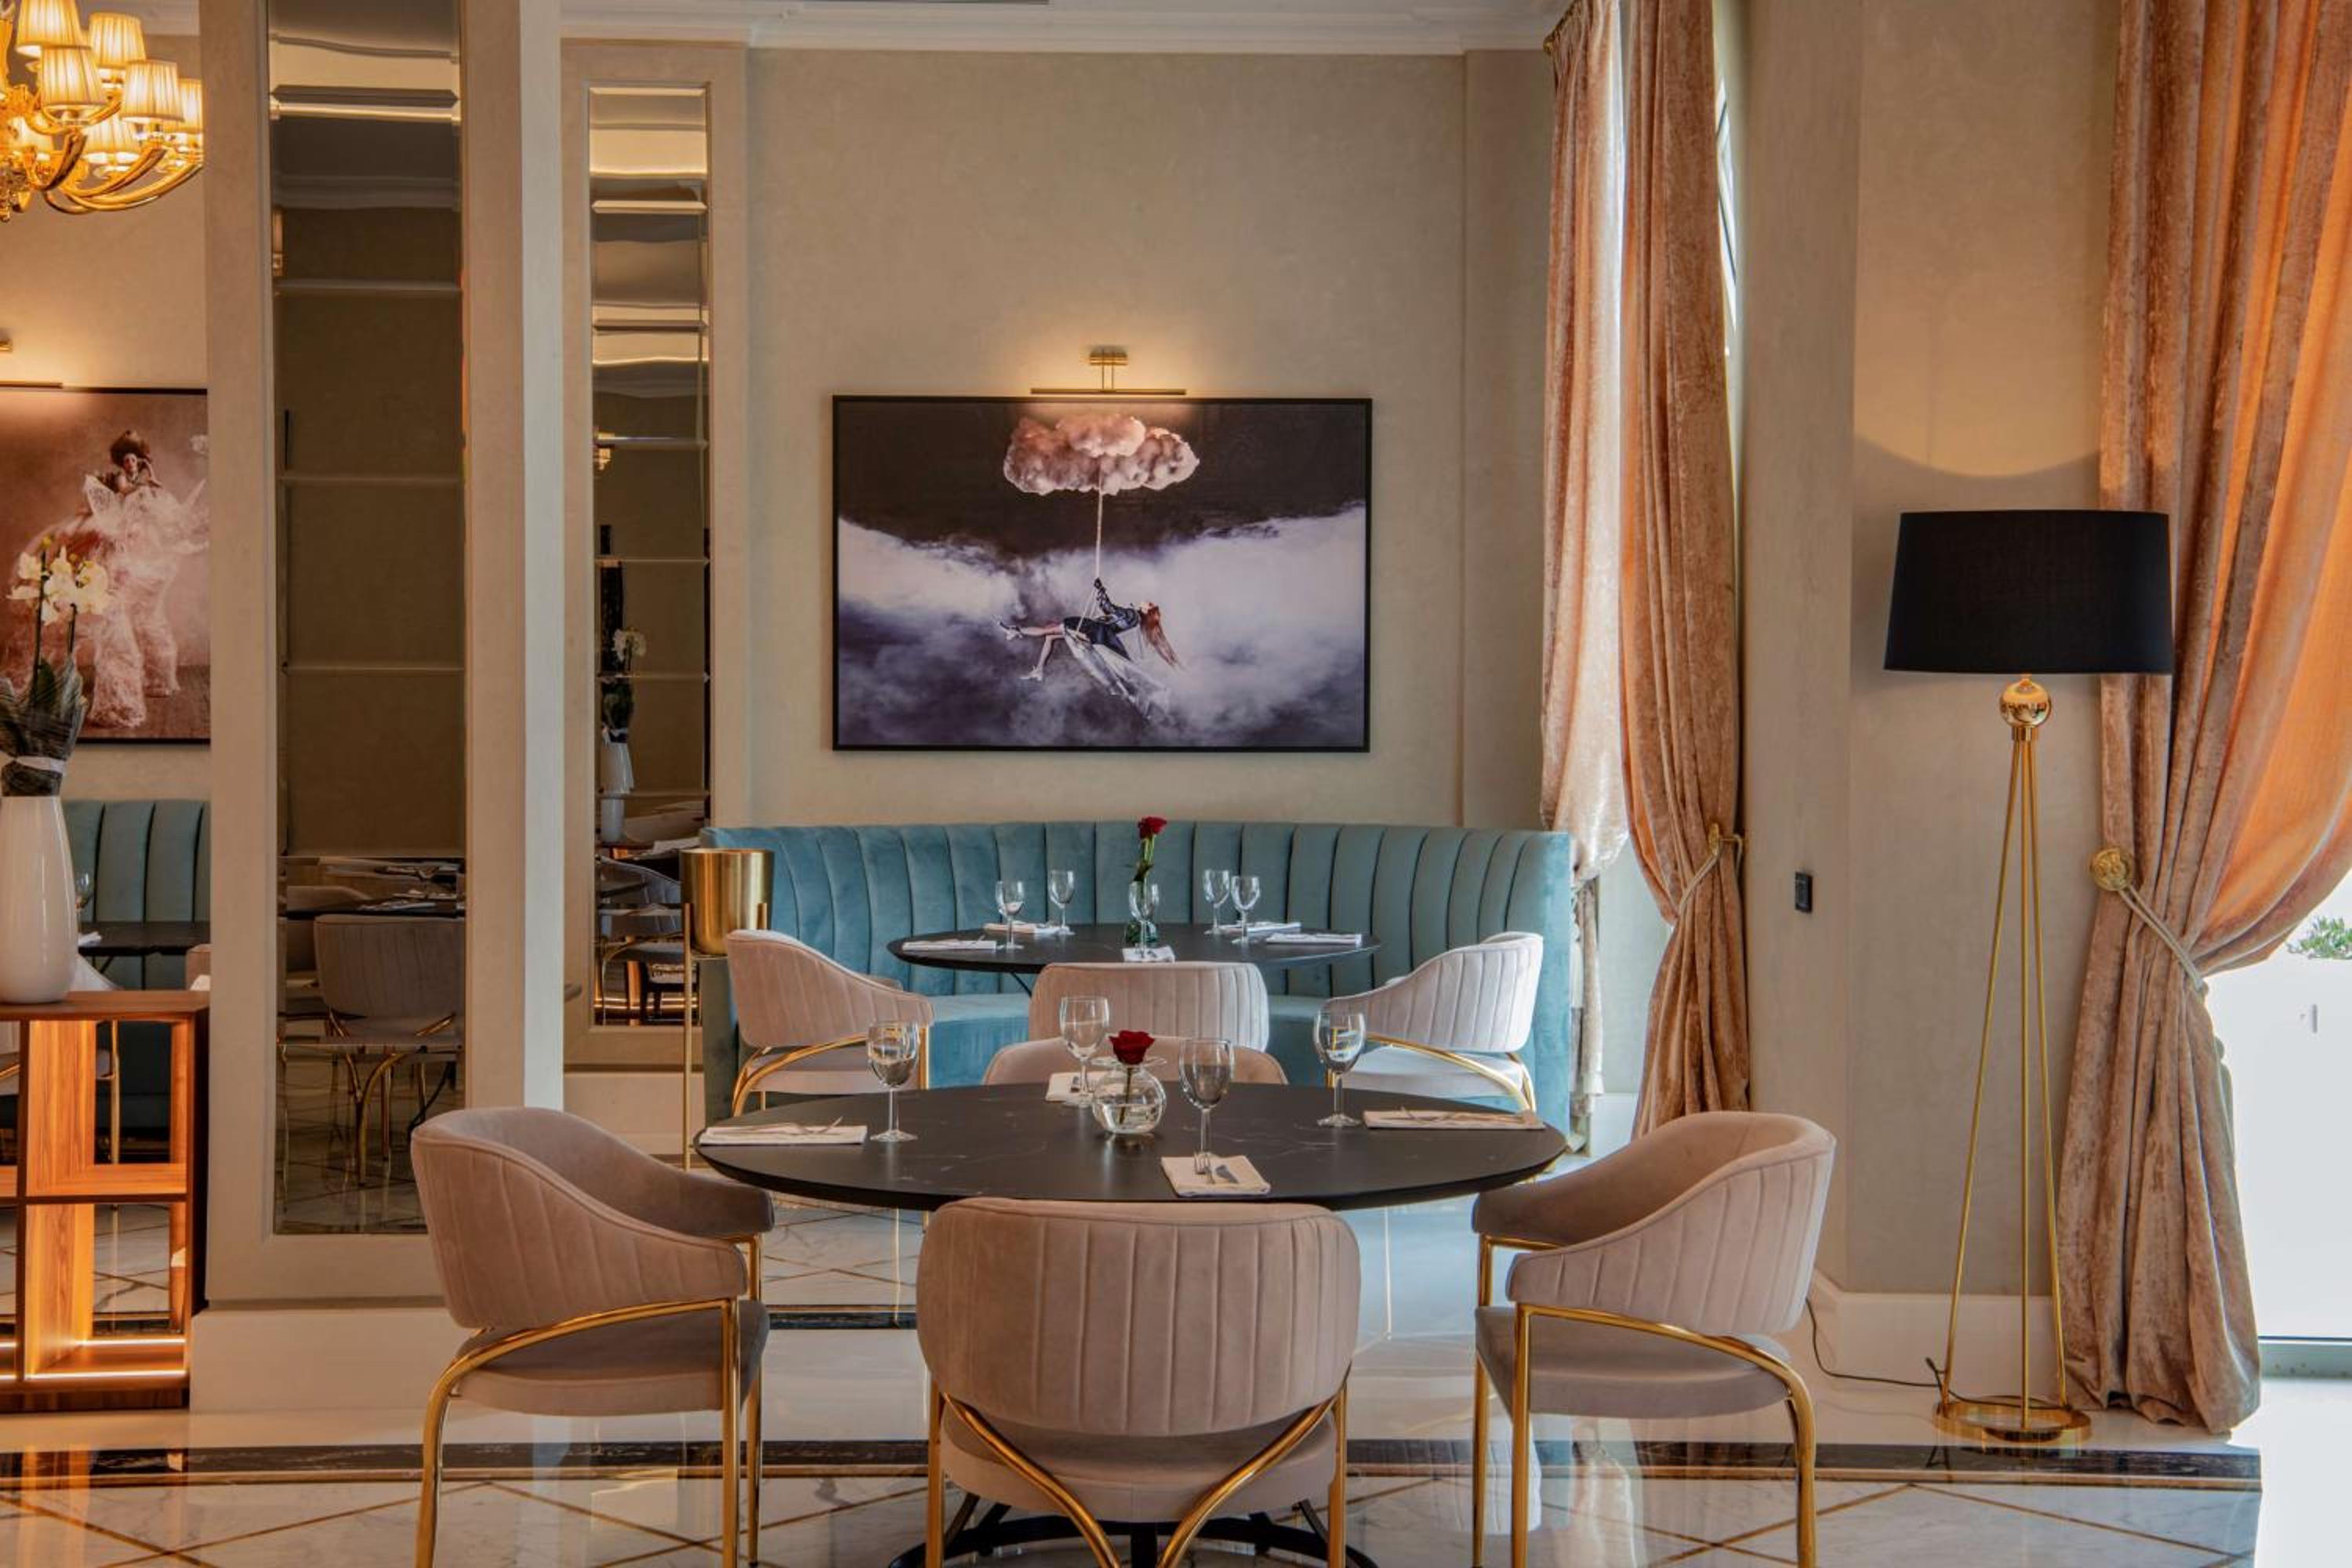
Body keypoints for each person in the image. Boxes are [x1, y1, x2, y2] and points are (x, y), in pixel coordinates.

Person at [1000, 576, 1181, 684]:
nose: (1148, 601)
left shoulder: (1132, 614)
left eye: (1150, 604)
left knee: (1048, 630)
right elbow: (1109, 611)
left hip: (1092, 630)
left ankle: (1016, 631)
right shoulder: (1134, 618)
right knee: (1050, 635)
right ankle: (1039, 669)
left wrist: (1101, 590)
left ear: (1146, 610)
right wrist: (1101, 592)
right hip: (1095, 631)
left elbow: (1109, 608)